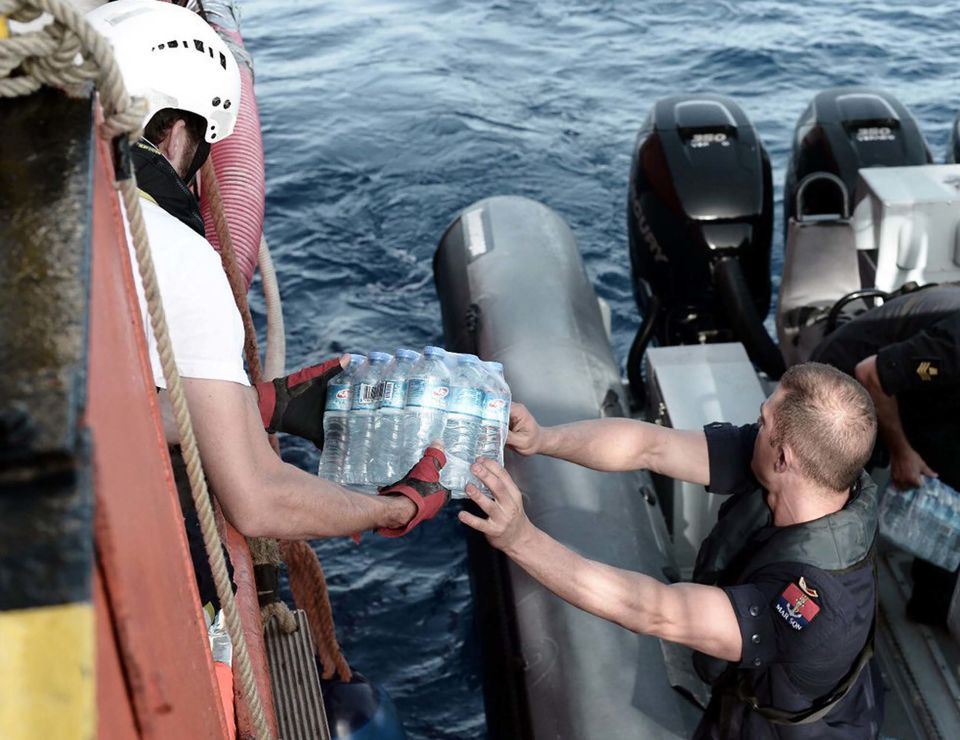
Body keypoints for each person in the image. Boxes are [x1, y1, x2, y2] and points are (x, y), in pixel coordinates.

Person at [89, 0, 448, 557]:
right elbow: (260, 501)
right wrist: (396, 507)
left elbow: (89, 399)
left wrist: (256, 405)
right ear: (179, 129)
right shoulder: (180, 256)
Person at [460, 363, 884, 739]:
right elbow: (651, 446)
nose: (757, 424)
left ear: (784, 459)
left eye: (764, 421)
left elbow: (654, 610)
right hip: (744, 694)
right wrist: (542, 440)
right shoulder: (814, 474)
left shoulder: (816, 607)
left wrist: (521, 540)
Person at [810, 283, 960, 626]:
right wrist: (902, 453)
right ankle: (830, 596)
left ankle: (934, 606)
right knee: (844, 501)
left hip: (922, 397)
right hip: (844, 383)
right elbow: (870, 374)